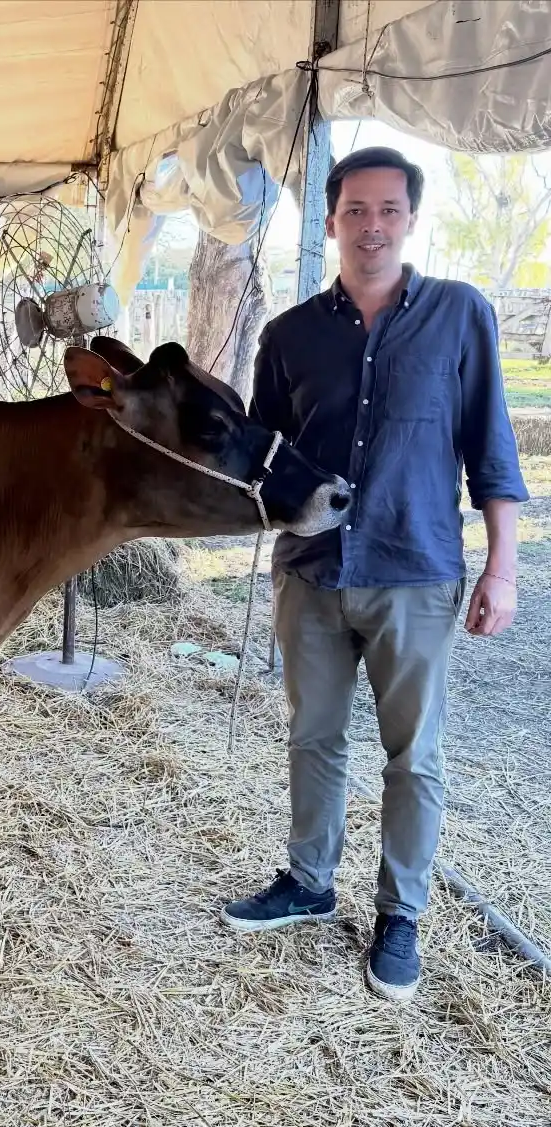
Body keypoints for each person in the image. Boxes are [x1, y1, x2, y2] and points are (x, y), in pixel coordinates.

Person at [221, 146, 528, 1002]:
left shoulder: (461, 315)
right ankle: (310, 883)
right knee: (314, 737)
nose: (371, 225)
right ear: (329, 221)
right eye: (355, 210)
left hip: (416, 570)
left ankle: (401, 915)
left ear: (410, 219)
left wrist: (501, 570)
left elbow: (491, 451)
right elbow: (265, 462)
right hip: (312, 573)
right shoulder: (287, 337)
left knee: (413, 755)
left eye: (388, 209)